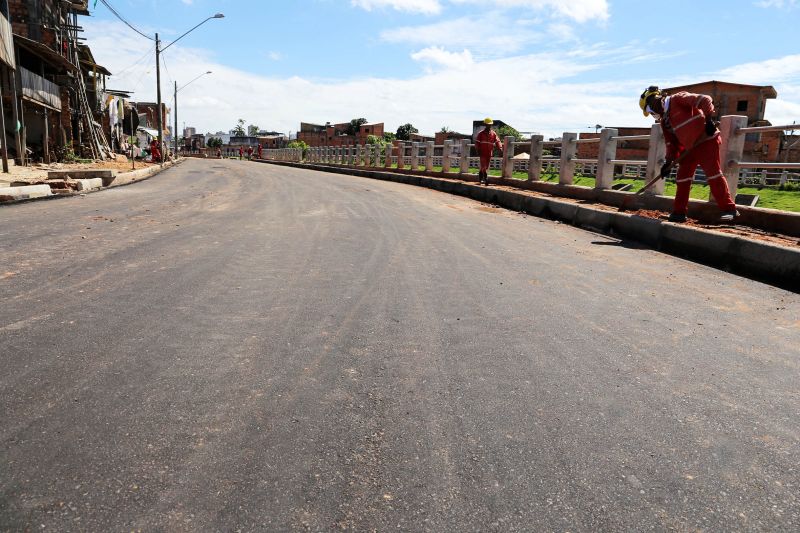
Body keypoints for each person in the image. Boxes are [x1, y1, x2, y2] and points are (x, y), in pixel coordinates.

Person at [640, 86, 738, 223]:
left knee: (713, 173)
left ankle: (729, 209)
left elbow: (705, 99)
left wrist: (709, 119)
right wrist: (668, 162)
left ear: (654, 100)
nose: (653, 114)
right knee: (682, 178)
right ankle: (679, 213)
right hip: (689, 149)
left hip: (706, 140)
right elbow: (671, 144)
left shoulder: (678, 99)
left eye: (650, 111)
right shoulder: (664, 121)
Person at [475, 117, 503, 185]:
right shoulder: (481, 133)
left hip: (489, 153)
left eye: (490, 124)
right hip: (482, 152)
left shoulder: (493, 134)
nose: (489, 126)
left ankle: (480, 178)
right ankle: (486, 179)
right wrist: (478, 150)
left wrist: (500, 147)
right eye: (487, 124)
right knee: (483, 166)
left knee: (485, 167)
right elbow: (477, 143)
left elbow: (497, 141)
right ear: (485, 124)